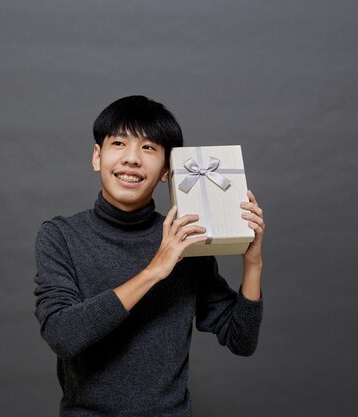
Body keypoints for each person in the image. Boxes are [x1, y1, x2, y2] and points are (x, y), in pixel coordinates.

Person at [34, 95, 265, 417]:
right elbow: (63, 336)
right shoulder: (61, 236)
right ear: (97, 157)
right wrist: (155, 269)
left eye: (148, 148)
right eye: (118, 143)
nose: (131, 159)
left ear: (167, 171)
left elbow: (241, 340)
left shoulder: (186, 239)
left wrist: (252, 262)